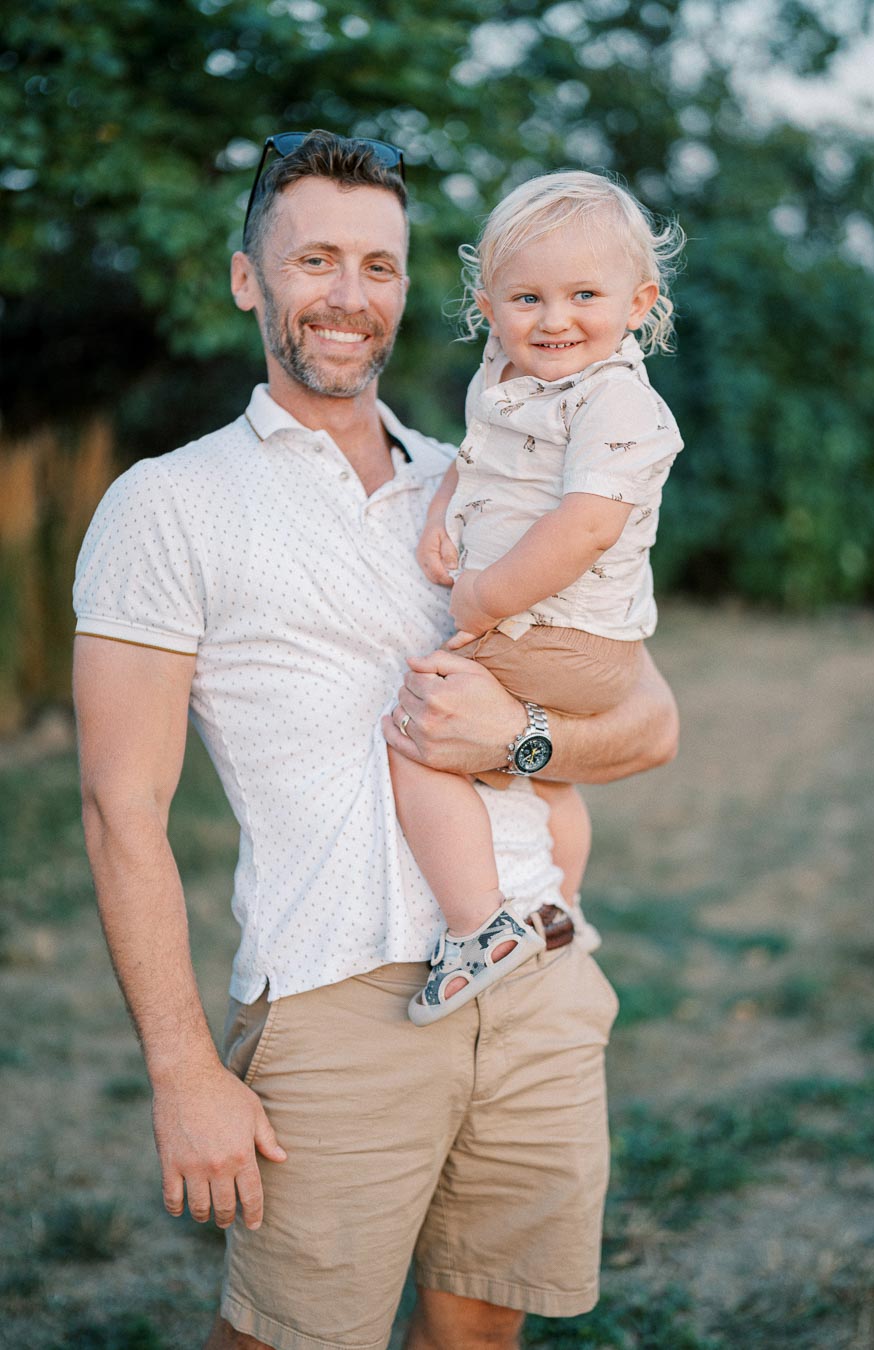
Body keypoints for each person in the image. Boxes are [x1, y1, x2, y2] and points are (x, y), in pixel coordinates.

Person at [72, 130, 678, 1350]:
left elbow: (652, 722)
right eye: (315, 262)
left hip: (541, 975)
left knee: (481, 1335)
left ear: (410, 290)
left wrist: (517, 744)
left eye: (380, 268)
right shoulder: (168, 503)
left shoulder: (488, 478)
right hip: (337, 998)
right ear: (250, 278)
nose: (350, 298)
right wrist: (186, 1070)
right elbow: (119, 806)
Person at [391, 171, 685, 1025]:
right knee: (552, 784)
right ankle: (562, 909)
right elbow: (475, 459)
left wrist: (481, 596)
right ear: (488, 306)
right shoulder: (515, 381)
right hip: (567, 638)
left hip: (562, 632)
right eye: (527, 297)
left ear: (638, 301)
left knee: (420, 731)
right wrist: (443, 516)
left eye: (583, 295)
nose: (554, 319)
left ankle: (478, 926)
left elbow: (585, 529)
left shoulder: (618, 400)